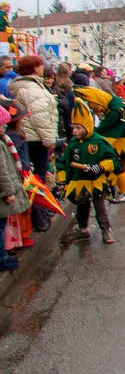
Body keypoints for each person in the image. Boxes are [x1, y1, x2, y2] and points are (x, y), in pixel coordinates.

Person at [57, 98, 121, 244]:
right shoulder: (73, 144)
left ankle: (106, 231)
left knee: (100, 207)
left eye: (78, 128)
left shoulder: (99, 141)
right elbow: (63, 163)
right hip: (80, 181)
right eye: (73, 128)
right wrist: (62, 180)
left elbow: (114, 160)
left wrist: (100, 166)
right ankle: (83, 229)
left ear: (87, 126)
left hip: (96, 181)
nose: (74, 131)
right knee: (82, 206)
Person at [73, 86, 125, 204]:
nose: (94, 109)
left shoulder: (115, 110)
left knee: (119, 167)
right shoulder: (116, 102)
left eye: (92, 105)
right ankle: (121, 192)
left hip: (124, 144)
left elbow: (106, 128)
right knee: (119, 166)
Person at [8, 55, 58, 195]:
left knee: (30, 176)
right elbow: (40, 116)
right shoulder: (32, 89)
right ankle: (39, 212)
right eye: (41, 65)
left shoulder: (24, 85)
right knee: (37, 179)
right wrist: (50, 141)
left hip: (27, 136)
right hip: (36, 139)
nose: (43, 68)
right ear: (36, 68)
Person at [0, 103, 30, 268]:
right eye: (2, 124)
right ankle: (2, 258)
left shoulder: (4, 139)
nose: (4, 127)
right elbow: (3, 172)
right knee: (1, 225)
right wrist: (9, 192)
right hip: (4, 193)